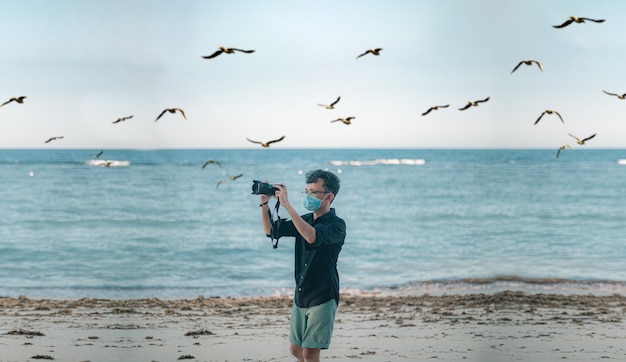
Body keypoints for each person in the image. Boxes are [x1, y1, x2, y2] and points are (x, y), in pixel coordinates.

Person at [259, 169, 346, 362]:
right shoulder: (305, 220)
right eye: (306, 191)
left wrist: (287, 205)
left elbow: (312, 237)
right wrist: (264, 203)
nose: (308, 196)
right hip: (302, 293)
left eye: (313, 192)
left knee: (309, 352)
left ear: (329, 197)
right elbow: (270, 230)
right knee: (296, 350)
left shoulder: (337, 225)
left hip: (323, 295)